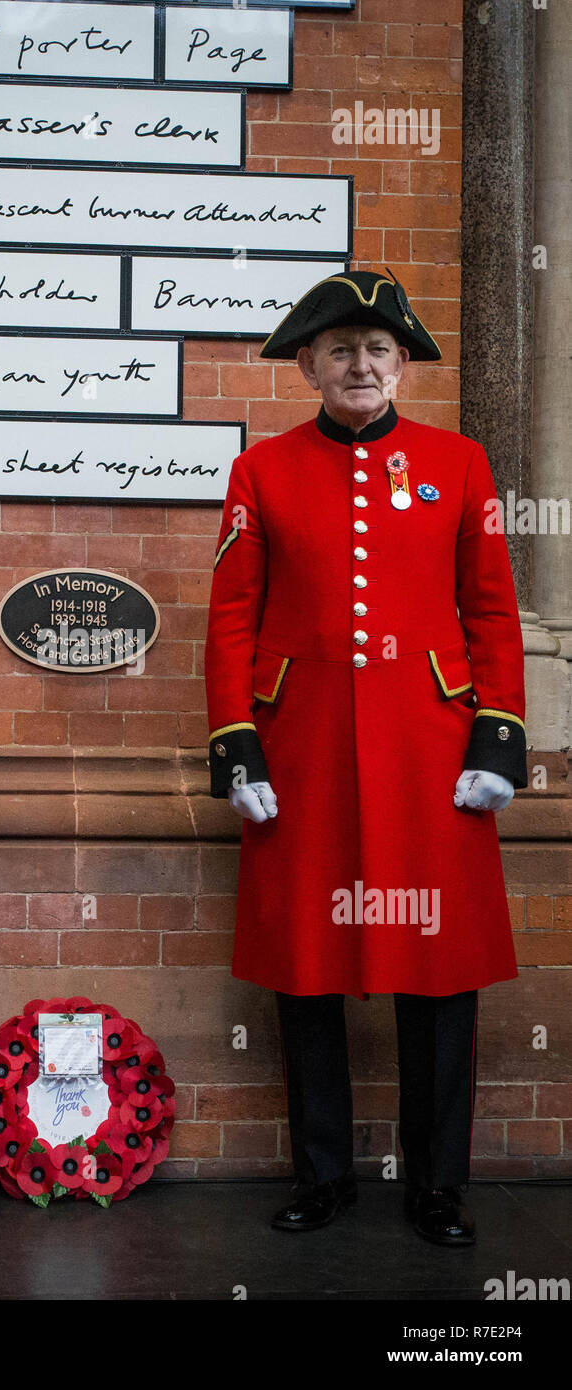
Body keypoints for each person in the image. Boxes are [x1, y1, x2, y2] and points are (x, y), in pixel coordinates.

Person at [204, 270, 526, 1246]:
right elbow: (230, 620)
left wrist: (497, 737)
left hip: (433, 754)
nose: (361, 364)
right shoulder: (262, 472)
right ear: (308, 364)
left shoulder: (459, 464)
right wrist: (237, 747)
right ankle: (324, 1173)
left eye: (379, 349)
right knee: (306, 967)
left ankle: (436, 1183)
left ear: (403, 366)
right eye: (341, 349)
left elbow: (493, 612)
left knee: (438, 969)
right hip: (300, 752)